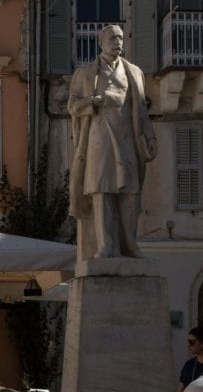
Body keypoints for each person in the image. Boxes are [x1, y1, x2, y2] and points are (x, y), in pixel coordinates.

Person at [67, 23, 157, 260]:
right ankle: (106, 246)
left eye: (120, 38)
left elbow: (142, 110)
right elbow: (72, 106)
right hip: (99, 138)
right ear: (101, 43)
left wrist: (149, 136)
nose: (117, 43)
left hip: (127, 137)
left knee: (130, 192)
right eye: (112, 39)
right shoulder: (85, 73)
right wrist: (92, 102)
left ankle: (130, 244)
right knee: (102, 192)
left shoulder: (134, 72)